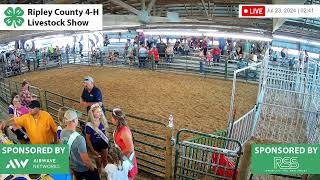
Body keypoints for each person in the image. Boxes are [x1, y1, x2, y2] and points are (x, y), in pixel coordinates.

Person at [60, 110, 100, 180]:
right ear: (74, 121)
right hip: (82, 170)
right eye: (77, 118)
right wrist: (93, 169)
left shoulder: (62, 132)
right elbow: (86, 160)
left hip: (73, 167)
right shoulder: (79, 139)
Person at [111, 108, 138, 179]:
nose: (111, 119)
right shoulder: (119, 128)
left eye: (112, 118)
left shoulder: (124, 132)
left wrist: (118, 155)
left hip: (126, 159)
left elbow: (130, 148)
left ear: (116, 120)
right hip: (122, 157)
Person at [85, 104, 109, 174]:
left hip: (104, 144)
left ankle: (108, 174)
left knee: (105, 160)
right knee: (98, 163)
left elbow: (105, 134)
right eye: (97, 112)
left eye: (100, 111)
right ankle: (100, 175)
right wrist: (92, 150)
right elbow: (88, 139)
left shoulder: (103, 122)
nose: (100, 113)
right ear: (92, 113)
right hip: (94, 146)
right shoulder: (89, 125)